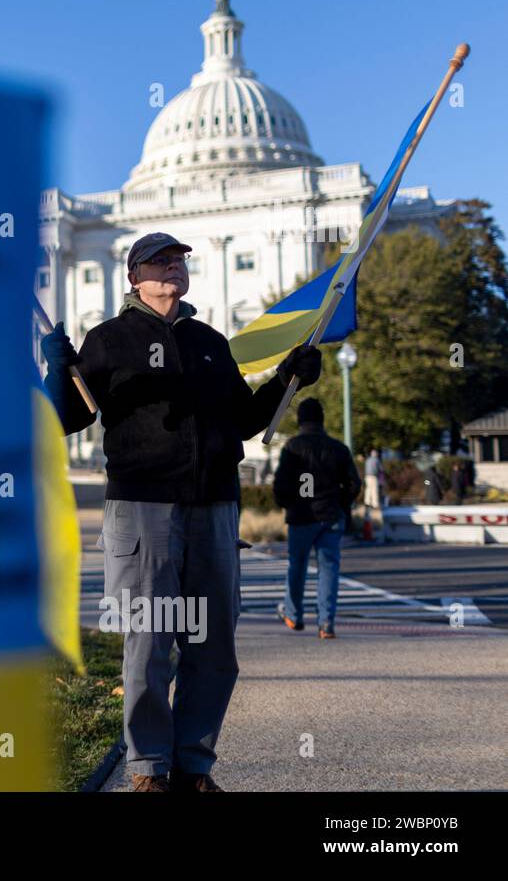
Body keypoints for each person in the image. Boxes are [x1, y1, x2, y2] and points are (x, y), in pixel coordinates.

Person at [40, 231, 321, 792]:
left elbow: (244, 421)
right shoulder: (108, 340)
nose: (173, 270)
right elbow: (66, 417)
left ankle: (193, 766)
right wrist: (55, 372)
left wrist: (289, 376)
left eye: (178, 262)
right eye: (160, 263)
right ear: (134, 278)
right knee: (149, 643)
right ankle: (148, 768)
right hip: (143, 509)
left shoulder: (211, 343)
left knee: (215, 647)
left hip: (215, 505)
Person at [273, 398, 361, 640]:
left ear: (300, 419)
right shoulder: (338, 448)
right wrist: (341, 502)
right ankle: (326, 623)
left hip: (301, 516)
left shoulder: (292, 447)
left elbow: (281, 484)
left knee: (297, 565)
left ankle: (293, 614)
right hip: (330, 514)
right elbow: (354, 484)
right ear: (322, 419)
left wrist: (286, 504)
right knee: (329, 568)